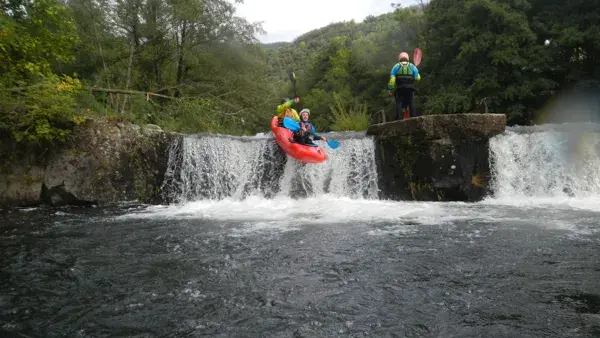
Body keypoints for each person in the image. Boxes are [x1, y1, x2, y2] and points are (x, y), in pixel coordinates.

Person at [387, 51, 421, 120]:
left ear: (399, 58)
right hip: (410, 88)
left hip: (400, 88)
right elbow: (418, 78)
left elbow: (392, 80)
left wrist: (389, 89)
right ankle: (413, 117)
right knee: (411, 102)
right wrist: (417, 73)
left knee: (399, 102)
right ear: (407, 58)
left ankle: (399, 118)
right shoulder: (412, 66)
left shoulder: (396, 66)